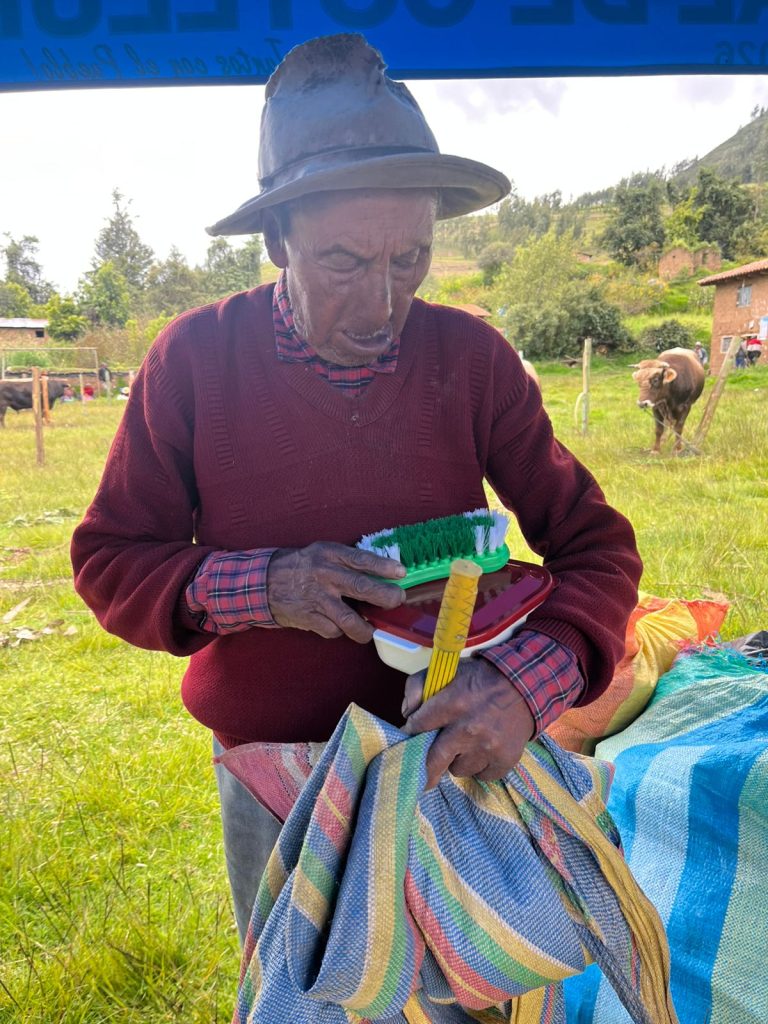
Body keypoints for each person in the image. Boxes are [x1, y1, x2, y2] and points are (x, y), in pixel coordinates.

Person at [71, 33, 641, 945]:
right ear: (277, 240)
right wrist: (267, 585)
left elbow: (598, 548)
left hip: (450, 762)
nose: (382, 307)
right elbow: (110, 560)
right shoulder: (194, 361)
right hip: (273, 776)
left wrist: (528, 682)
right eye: (343, 262)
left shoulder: (473, 360)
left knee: (460, 987)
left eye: (409, 260)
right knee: (300, 985)